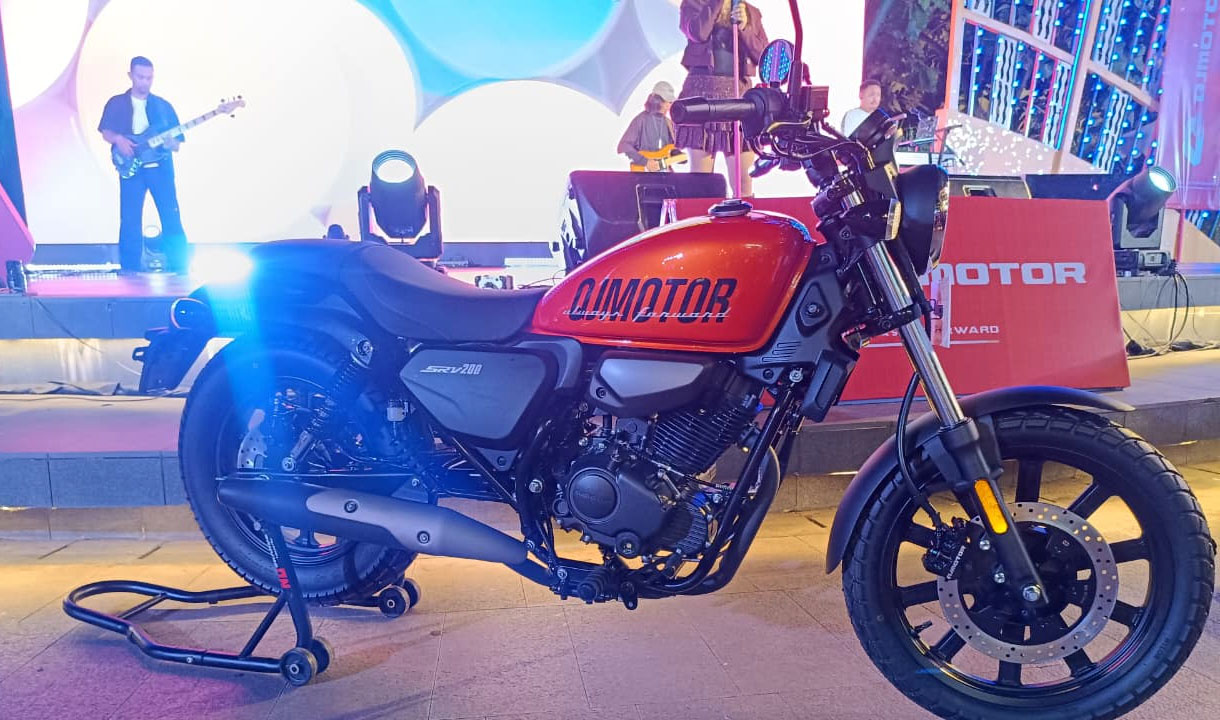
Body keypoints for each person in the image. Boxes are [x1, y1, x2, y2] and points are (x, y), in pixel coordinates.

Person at [98, 56, 187, 274]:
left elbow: (177, 144)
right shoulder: (116, 103)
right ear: (131, 76)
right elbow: (106, 131)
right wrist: (119, 139)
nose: (145, 82)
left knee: (170, 214)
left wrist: (170, 143)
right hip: (132, 169)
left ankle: (180, 266)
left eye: (149, 78)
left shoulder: (163, 107)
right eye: (140, 77)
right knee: (130, 218)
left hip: (161, 169)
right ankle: (129, 268)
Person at [675, 0, 768, 196]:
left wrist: (745, 28)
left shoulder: (750, 12)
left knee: (743, 181)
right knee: (702, 182)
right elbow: (697, 32)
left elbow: (764, 55)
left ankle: (745, 215)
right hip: (702, 94)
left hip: (739, 96)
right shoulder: (693, 4)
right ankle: (702, 215)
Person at [618, 81, 677, 171]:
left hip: (664, 173)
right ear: (657, 100)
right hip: (643, 174)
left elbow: (670, 148)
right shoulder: (640, 120)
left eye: (671, 101)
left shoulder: (668, 123)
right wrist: (645, 162)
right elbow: (623, 145)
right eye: (668, 101)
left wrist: (677, 155)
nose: (670, 104)